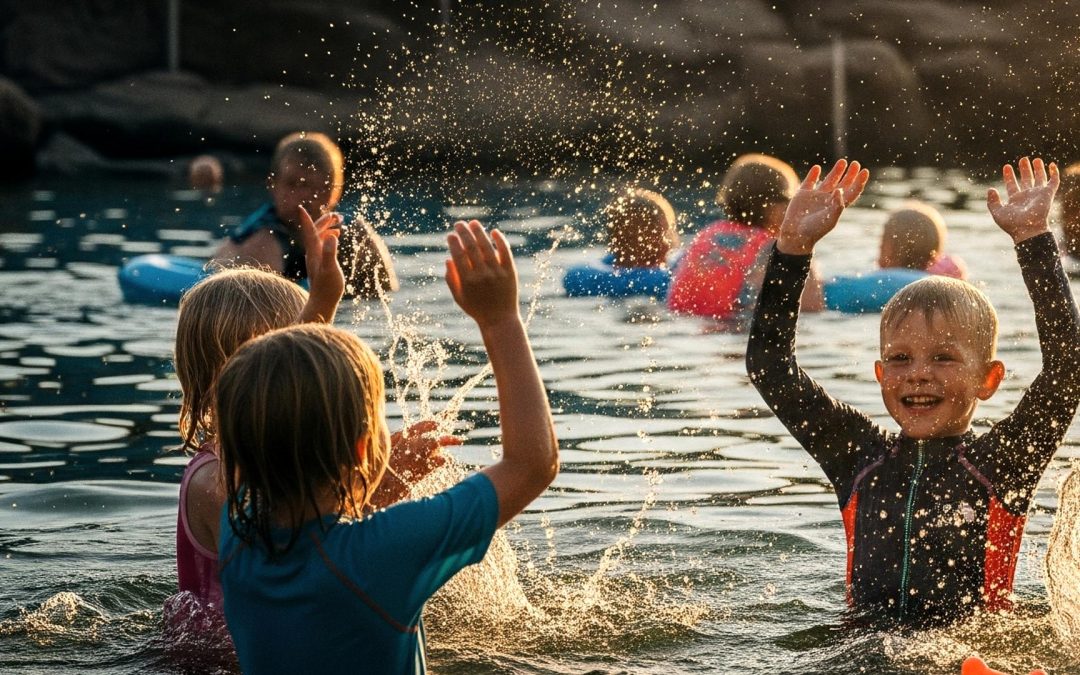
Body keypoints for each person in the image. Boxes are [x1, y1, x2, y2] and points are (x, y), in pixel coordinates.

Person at [746, 157, 1080, 626]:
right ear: (880, 374)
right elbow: (771, 368)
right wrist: (793, 248)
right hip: (858, 649)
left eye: (943, 358)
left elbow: (1068, 368)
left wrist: (1033, 241)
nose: (918, 375)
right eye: (901, 359)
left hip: (965, 652)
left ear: (988, 380)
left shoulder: (1002, 466)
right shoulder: (858, 459)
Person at [215, 220, 559, 673]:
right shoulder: (384, 550)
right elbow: (531, 465)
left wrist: (321, 303)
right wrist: (501, 321)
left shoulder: (236, 531)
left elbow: (269, 412)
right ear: (362, 450)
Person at [170, 208, 446, 651]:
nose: (306, 378)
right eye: (291, 361)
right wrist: (379, 488)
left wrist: (324, 298)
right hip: (224, 660)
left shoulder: (269, 455)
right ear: (233, 372)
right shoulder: (214, 479)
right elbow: (296, 552)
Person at [211, 131, 399, 298]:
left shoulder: (355, 234)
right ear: (272, 185)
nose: (304, 197)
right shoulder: (261, 242)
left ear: (335, 192)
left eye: (316, 187)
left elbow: (388, 294)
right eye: (292, 184)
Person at [667, 153, 825, 321]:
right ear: (771, 205)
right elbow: (811, 306)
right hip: (734, 323)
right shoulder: (773, 247)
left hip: (681, 318)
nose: (797, 209)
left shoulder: (709, 233)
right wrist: (804, 244)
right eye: (792, 201)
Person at [563, 187, 678, 299]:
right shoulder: (666, 280)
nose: (668, 242)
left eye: (668, 232)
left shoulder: (672, 268)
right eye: (660, 233)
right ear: (619, 240)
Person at [879, 202, 968, 279]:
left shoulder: (881, 281)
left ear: (896, 248)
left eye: (884, 240)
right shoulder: (942, 278)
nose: (880, 246)